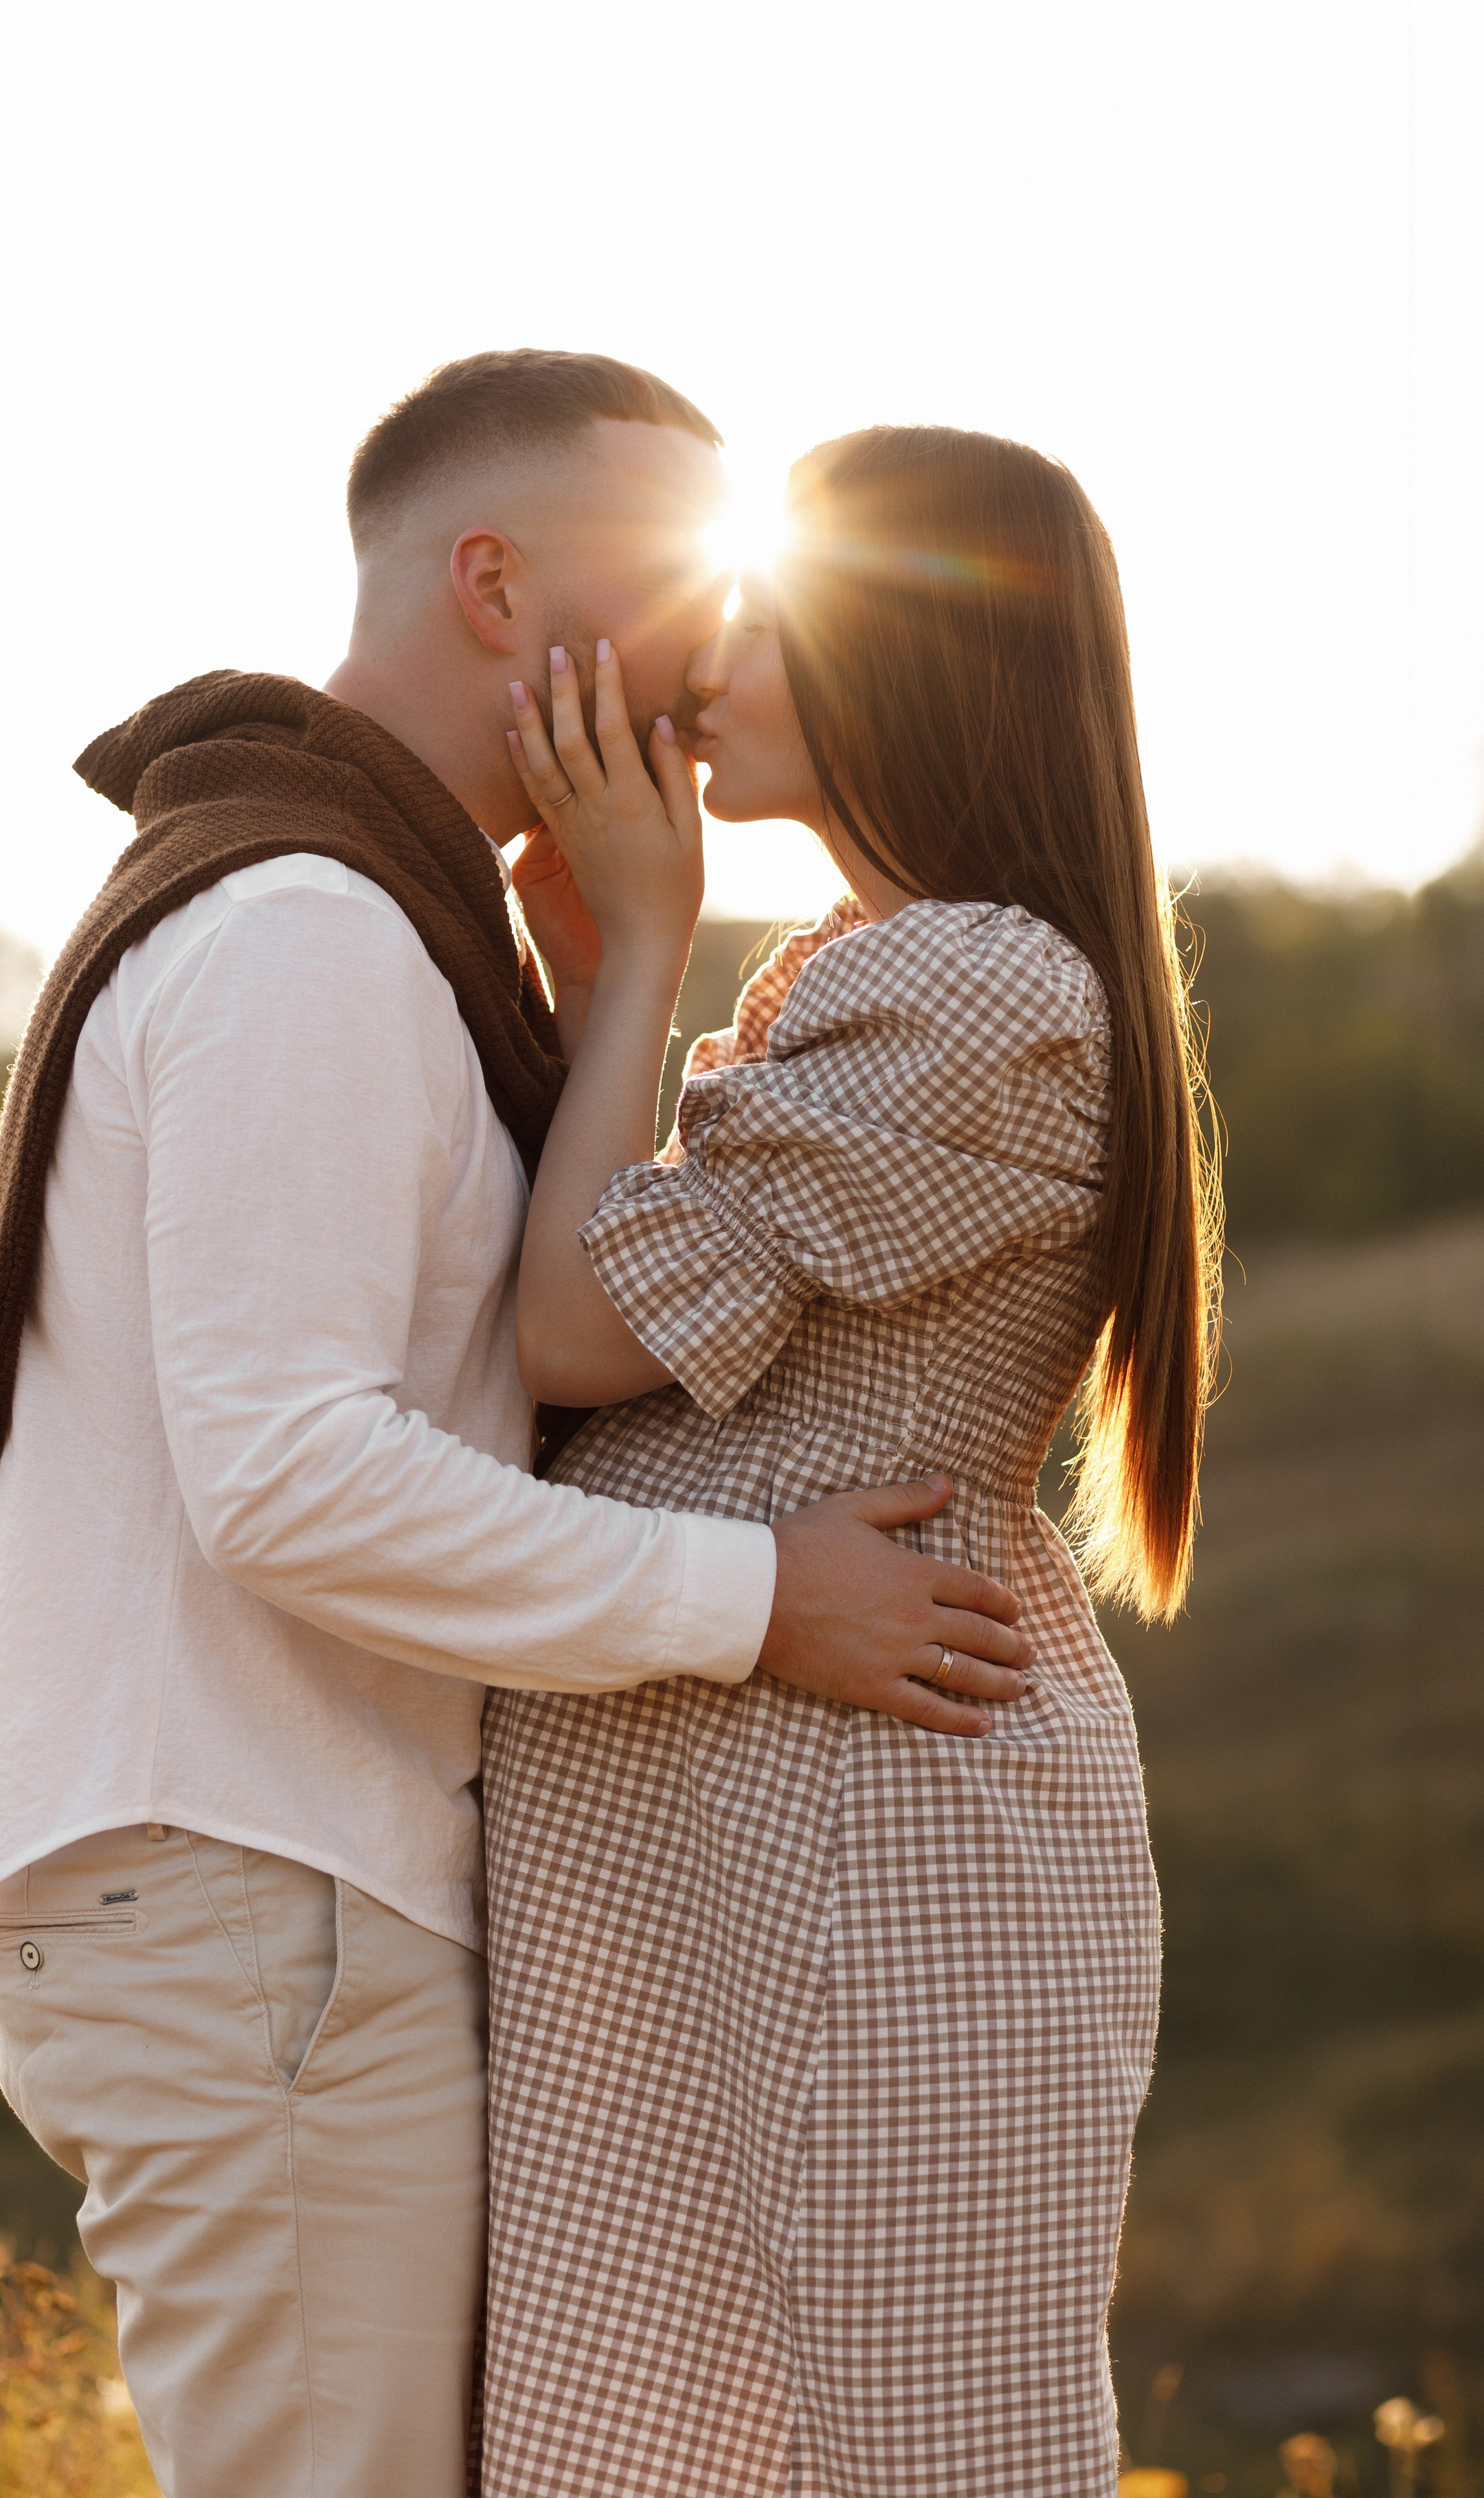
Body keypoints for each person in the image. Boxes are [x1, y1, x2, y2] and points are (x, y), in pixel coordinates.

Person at [0, 358, 1033, 2498]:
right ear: (499, 585)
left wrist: (625, 976)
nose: (712, 643)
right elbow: (289, 1468)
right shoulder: (312, 940)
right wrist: (757, 1599)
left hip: (274, 1888)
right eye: (671, 578)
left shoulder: (377, 929)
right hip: (256, 1891)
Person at [481, 423, 1221, 2496]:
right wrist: (606, 958)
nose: (701, 648)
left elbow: (572, 1332)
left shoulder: (971, 988)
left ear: (908, 661)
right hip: (779, 1821)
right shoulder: (876, 975)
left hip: (862, 1848)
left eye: (767, 610)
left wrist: (639, 949)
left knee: (886, 2445)